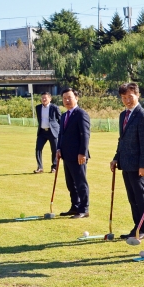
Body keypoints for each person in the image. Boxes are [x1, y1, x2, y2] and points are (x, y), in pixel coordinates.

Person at [110, 83, 144, 240]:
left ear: (138, 95)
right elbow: (121, 140)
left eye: (130, 96)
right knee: (132, 198)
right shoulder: (124, 115)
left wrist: (143, 165)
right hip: (125, 163)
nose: (127, 100)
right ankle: (137, 226)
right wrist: (116, 157)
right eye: (124, 97)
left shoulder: (142, 115)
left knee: (141, 197)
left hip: (138, 165)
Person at [56, 88, 91, 219]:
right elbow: (61, 135)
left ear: (76, 98)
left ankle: (84, 209)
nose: (67, 100)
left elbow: (85, 135)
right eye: (64, 98)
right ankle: (75, 206)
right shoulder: (64, 115)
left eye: (69, 97)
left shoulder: (81, 114)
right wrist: (58, 148)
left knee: (80, 183)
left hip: (78, 156)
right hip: (66, 155)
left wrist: (82, 152)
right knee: (71, 183)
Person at [34, 92, 60, 173]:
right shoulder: (38, 107)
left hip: (52, 132)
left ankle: (54, 167)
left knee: (54, 150)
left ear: (50, 99)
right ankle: (40, 167)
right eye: (42, 98)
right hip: (42, 132)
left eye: (45, 98)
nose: (44, 99)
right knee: (38, 149)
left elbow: (60, 119)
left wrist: (60, 130)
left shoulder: (54, 107)